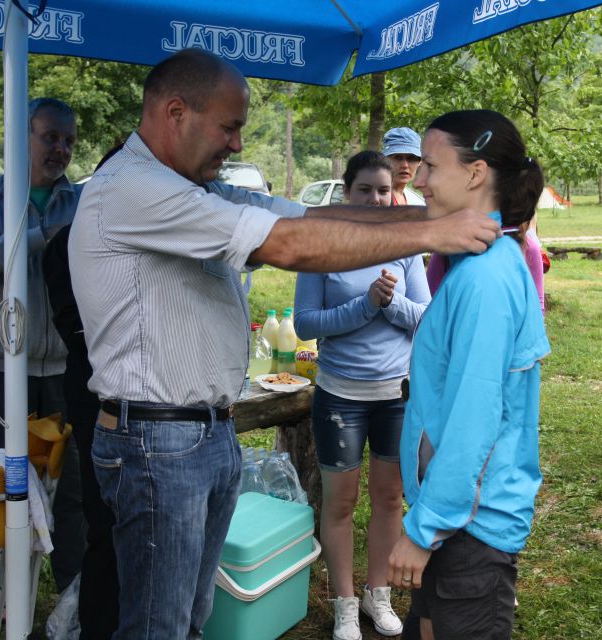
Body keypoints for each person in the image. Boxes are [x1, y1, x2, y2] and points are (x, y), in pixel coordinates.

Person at [68, 49, 500, 640]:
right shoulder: (133, 189)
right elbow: (292, 244)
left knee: (190, 619)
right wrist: (433, 232)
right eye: (230, 126)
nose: (239, 145)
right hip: (156, 441)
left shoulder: (195, 187)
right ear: (175, 112)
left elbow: (316, 214)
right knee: (157, 626)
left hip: (202, 433)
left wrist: (433, 211)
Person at [386, 110, 550, 640]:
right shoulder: (477, 264)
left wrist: (424, 527)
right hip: (452, 517)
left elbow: (475, 420)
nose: (421, 179)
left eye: (432, 165)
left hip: (467, 527)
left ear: (476, 173)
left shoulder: (485, 279)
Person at [0, 97, 85, 592]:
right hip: (1, 369)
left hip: (66, 369)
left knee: (69, 486)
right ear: (21, 135)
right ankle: (7, 593)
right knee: (6, 486)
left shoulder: (80, 199)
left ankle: (71, 592)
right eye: (50, 136)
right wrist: (36, 235)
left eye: (68, 140)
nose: (61, 149)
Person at [294, 150, 430, 640]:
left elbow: (424, 318)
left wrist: (389, 304)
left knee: (391, 497)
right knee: (341, 502)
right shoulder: (322, 246)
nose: (375, 198)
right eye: (364, 189)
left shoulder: (406, 246)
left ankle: (378, 595)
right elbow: (306, 323)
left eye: (383, 190)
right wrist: (364, 304)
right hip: (341, 397)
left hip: (396, 394)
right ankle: (345, 603)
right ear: (345, 192)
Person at [42, 144, 125, 639]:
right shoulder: (67, 245)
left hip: (150, 408)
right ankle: (99, 625)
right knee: (105, 521)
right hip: (98, 399)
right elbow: (77, 328)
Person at [382, 127, 425, 206]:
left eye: (411, 158)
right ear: (385, 160)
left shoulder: (418, 200)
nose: (405, 165)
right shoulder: (378, 200)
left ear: (420, 162)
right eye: (398, 158)